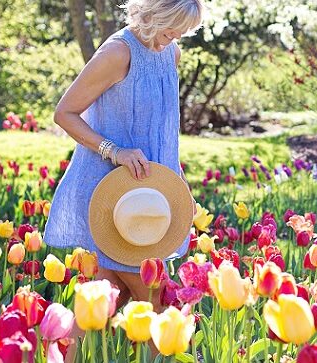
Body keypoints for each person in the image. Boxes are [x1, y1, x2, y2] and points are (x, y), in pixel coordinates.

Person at [46, 0, 205, 312]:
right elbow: (64, 113)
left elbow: (163, 130)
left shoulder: (170, 52)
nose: (174, 38)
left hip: (150, 195)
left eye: (180, 33)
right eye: (171, 29)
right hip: (115, 197)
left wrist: (178, 183)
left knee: (104, 303)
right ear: (153, 14)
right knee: (157, 304)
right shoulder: (118, 53)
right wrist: (114, 151)